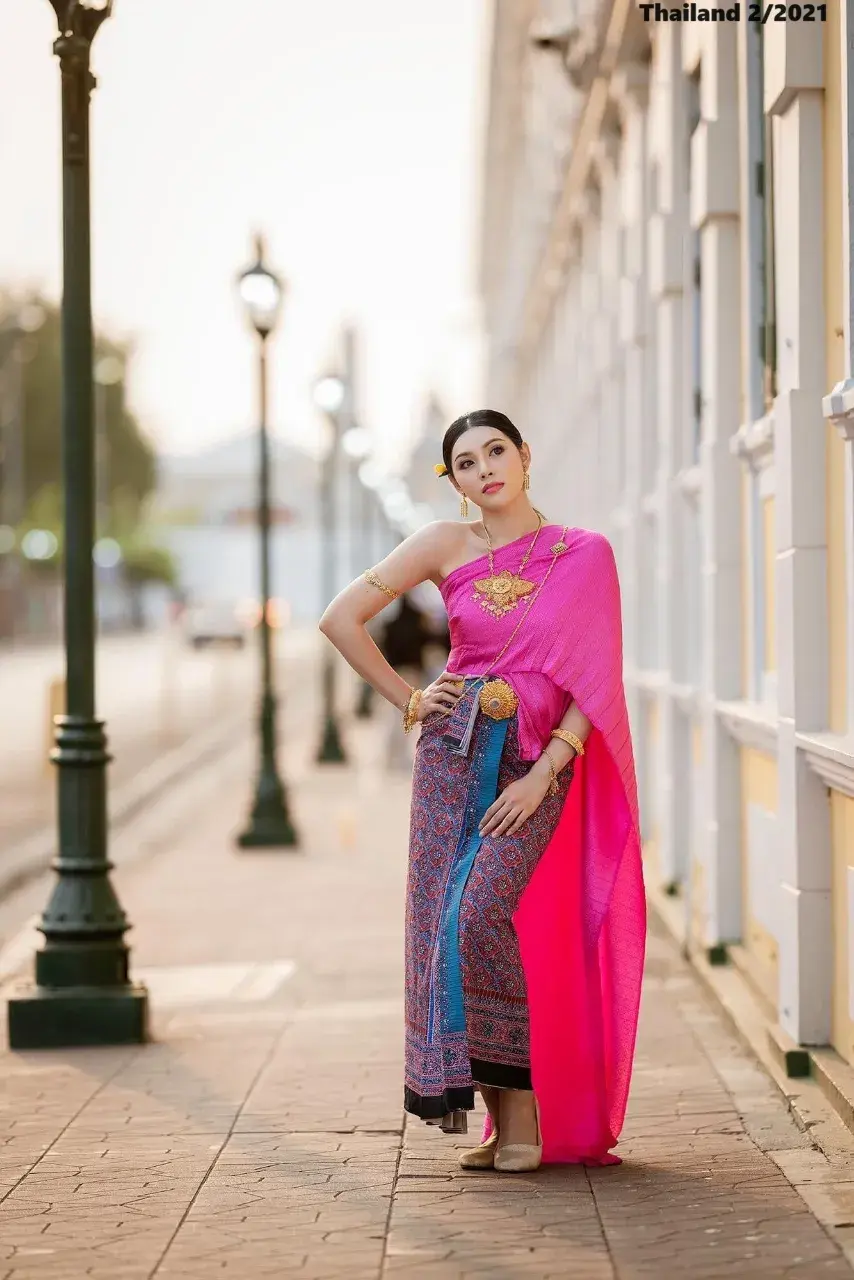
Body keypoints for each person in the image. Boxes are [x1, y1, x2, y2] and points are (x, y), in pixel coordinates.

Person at [319, 409, 643, 1172]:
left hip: (534, 761)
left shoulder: (584, 554)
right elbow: (341, 619)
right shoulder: (442, 543)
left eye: (496, 451)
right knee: (449, 928)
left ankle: (526, 1114)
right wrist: (407, 698)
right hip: (453, 758)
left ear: (525, 456)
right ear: (455, 481)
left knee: (478, 912)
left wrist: (545, 773)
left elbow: (596, 681)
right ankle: (502, 1123)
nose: (485, 468)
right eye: (466, 462)